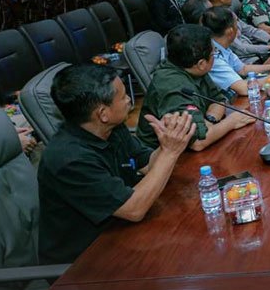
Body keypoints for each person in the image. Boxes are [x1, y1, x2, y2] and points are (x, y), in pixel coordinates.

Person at [38, 64, 195, 263]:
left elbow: (147, 165)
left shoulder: (111, 128)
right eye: (122, 96)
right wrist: (170, 152)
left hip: (123, 233)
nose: (129, 99)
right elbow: (134, 209)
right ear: (102, 113)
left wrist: (167, 142)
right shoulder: (69, 160)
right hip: (86, 261)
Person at [136, 24, 255, 150]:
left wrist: (210, 120)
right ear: (201, 64)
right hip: (163, 156)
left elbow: (218, 99)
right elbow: (197, 142)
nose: (214, 56)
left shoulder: (192, 67)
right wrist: (231, 122)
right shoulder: (174, 87)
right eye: (213, 53)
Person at [203, 7, 270, 97]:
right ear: (230, 31)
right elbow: (243, 89)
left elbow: (243, 69)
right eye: (236, 23)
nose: (239, 27)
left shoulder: (221, 46)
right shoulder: (213, 56)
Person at [202, 0, 270, 64]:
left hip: (256, 51)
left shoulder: (228, 11)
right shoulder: (215, 19)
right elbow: (240, 48)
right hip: (244, 61)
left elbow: (249, 29)